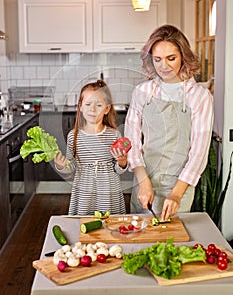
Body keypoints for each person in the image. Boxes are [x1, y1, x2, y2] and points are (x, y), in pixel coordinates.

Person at [125, 24, 214, 221]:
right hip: (143, 179)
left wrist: (176, 194)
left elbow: (199, 151)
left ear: (183, 56)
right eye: (157, 59)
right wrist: (143, 181)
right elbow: (131, 140)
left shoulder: (199, 96)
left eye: (170, 58)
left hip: (180, 183)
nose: (163, 66)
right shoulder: (142, 92)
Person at [54, 80, 127, 215]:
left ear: (107, 109)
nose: (92, 109)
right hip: (84, 193)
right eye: (88, 104)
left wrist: (122, 163)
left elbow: (118, 169)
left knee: (110, 225)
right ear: (81, 106)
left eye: (98, 105)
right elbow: (72, 167)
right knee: (84, 224)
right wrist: (61, 166)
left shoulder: (114, 135)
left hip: (108, 191)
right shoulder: (73, 136)